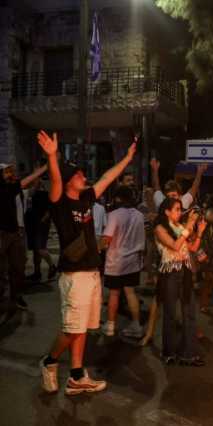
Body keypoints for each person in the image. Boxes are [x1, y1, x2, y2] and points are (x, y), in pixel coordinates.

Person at [37, 130, 136, 395]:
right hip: (74, 275)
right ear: (69, 181)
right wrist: (51, 157)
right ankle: (49, 361)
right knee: (72, 328)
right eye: (78, 174)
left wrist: (126, 159)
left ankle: (77, 376)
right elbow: (56, 180)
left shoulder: (86, 197)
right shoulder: (60, 202)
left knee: (82, 328)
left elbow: (107, 177)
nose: (84, 176)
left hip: (91, 273)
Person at [155, 197, 207, 365]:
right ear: (167, 211)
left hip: (184, 271)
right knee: (170, 313)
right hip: (170, 273)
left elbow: (191, 248)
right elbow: (175, 246)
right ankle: (168, 352)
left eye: (180, 209)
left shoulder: (180, 227)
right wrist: (189, 225)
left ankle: (189, 353)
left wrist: (198, 232)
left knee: (189, 312)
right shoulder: (160, 228)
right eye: (176, 209)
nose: (180, 212)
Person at [0, 161, 47, 310]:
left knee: (18, 266)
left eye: (11, 171)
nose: (11, 174)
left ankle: (16, 296)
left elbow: (29, 185)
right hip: (2, 234)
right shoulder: (5, 188)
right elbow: (25, 182)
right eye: (7, 172)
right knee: (2, 268)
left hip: (16, 232)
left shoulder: (14, 190)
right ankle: (5, 298)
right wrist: (45, 167)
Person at [101, 185, 146, 339]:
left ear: (118, 198)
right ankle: (136, 325)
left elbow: (106, 238)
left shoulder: (114, 215)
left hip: (116, 262)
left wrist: (99, 247)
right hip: (133, 261)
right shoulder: (139, 215)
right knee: (130, 292)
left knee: (114, 294)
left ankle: (111, 325)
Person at [25, 177, 57, 283]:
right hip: (32, 224)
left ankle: (52, 266)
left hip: (40, 225)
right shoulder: (30, 193)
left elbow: (50, 208)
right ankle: (37, 272)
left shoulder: (43, 194)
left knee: (40, 248)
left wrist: (44, 219)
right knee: (35, 249)